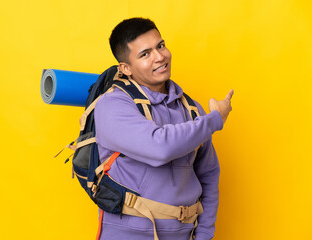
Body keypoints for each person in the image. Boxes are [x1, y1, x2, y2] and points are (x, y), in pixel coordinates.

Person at [94, 17, 233, 240]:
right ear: (126, 68)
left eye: (160, 46)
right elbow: (160, 147)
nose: (160, 57)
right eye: (145, 54)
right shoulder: (112, 105)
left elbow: (208, 174)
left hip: (184, 233)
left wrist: (205, 233)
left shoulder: (192, 110)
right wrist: (215, 119)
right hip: (128, 233)